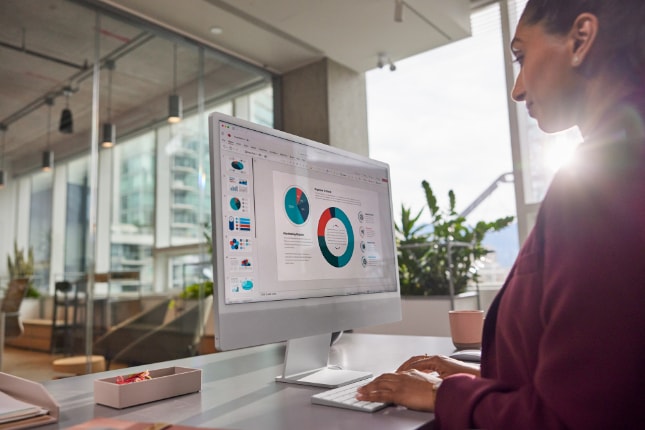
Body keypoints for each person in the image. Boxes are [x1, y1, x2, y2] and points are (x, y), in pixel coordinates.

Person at [356, 0, 645, 428]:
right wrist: (478, 377)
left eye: (522, 56)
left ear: (581, 39)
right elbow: (602, 382)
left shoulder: (608, 182)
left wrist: (443, 395)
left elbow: (570, 421)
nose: (518, 89)